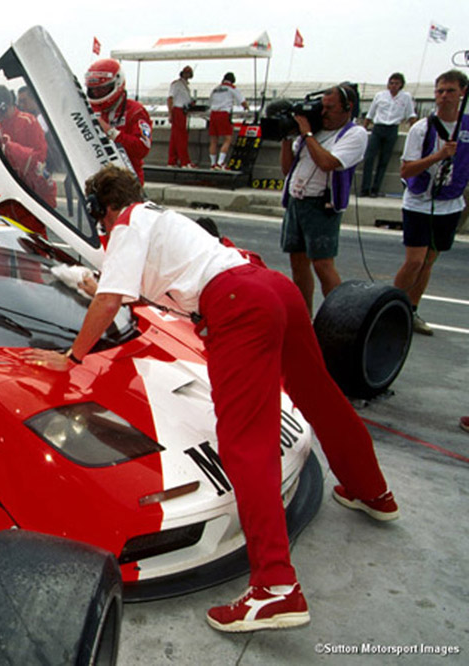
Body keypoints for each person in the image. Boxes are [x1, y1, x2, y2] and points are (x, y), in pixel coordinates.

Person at [27, 164, 397, 633]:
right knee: (318, 394)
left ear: (106, 209)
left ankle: (276, 588)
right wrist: (98, 284)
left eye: (99, 217)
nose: (101, 226)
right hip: (272, 288)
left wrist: (74, 357)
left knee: (244, 443)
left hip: (238, 305)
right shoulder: (156, 216)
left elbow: (108, 301)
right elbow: (125, 286)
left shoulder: (124, 225)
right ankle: (372, 490)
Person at [391, 69, 469, 336]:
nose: (444, 97)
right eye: (440, 91)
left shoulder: (467, 127)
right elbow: (406, 170)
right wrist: (439, 156)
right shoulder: (422, 129)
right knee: (414, 260)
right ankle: (390, 307)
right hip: (419, 202)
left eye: (450, 91)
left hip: (450, 203)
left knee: (429, 261)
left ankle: (411, 309)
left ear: (462, 93)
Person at [279, 83, 367, 315]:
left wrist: (307, 133)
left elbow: (328, 163)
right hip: (297, 201)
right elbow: (287, 169)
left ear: (347, 108)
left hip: (321, 204)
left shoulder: (354, 134)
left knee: (323, 265)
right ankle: (304, 317)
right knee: (297, 263)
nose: (323, 113)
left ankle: (339, 318)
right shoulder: (314, 132)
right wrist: (287, 138)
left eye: (329, 107)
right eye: (322, 107)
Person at [0, 85, 56, 233]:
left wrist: (9, 148)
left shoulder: (28, 122)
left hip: (30, 193)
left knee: (35, 245)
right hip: (7, 196)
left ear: (2, 106)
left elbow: (40, 157)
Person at [84, 58, 152, 183]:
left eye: (102, 89)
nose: (96, 93)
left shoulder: (136, 111)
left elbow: (142, 148)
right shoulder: (87, 109)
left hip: (127, 180)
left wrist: (111, 132)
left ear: (117, 83)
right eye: (93, 89)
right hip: (96, 177)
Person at [361, 73, 417, 197]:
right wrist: (362, 130)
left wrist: (416, 132)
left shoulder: (405, 97)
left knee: (384, 161)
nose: (393, 86)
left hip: (392, 129)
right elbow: (370, 114)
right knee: (369, 158)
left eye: (396, 83)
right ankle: (365, 188)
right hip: (378, 128)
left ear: (401, 85)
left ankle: (375, 189)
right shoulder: (380, 96)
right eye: (391, 83)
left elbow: (411, 115)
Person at [207, 72, 249, 169]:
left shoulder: (215, 89)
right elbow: (242, 102)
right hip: (224, 114)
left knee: (213, 140)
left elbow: (210, 102)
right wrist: (247, 108)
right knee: (227, 139)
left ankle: (213, 164)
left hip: (213, 115)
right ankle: (220, 163)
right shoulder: (232, 88)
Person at [167, 66, 195, 168]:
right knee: (181, 137)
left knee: (175, 137)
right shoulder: (177, 85)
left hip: (183, 111)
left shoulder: (185, 85)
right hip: (178, 111)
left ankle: (172, 161)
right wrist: (170, 113)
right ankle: (184, 161)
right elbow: (170, 99)